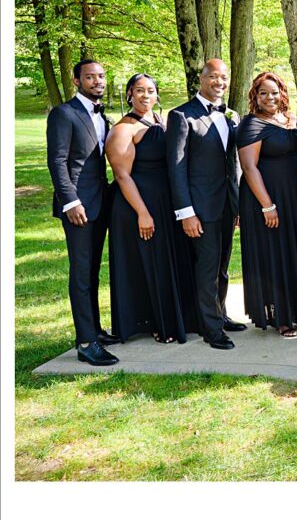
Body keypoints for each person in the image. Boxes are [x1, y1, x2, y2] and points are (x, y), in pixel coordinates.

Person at [106, 73, 199, 344]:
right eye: (139, 91)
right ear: (129, 95)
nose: (145, 95)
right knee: (150, 264)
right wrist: (142, 213)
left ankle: (177, 317)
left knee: (167, 261)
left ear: (157, 95)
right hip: (139, 204)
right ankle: (157, 323)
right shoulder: (123, 129)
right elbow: (122, 175)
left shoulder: (161, 120)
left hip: (166, 202)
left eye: (150, 90)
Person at [167, 58, 247, 350]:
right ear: (201, 79)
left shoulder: (231, 116)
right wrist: (186, 212)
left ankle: (221, 313)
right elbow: (176, 168)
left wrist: (238, 206)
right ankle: (210, 327)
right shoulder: (181, 116)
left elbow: (233, 162)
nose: (219, 82)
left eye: (223, 77)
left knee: (223, 266)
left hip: (227, 204)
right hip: (200, 207)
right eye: (213, 76)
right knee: (207, 267)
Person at [46, 59, 118, 366]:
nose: (97, 81)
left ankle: (95, 330)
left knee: (92, 272)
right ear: (77, 81)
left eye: (101, 76)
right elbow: (57, 161)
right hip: (78, 206)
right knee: (81, 272)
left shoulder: (104, 118)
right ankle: (86, 343)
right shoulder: (64, 114)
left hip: (100, 203)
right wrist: (70, 202)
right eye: (90, 77)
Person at [237, 72, 297, 337]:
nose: (270, 98)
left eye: (274, 92)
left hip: (295, 197)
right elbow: (249, 168)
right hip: (268, 198)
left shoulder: (290, 120)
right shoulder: (251, 125)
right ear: (255, 97)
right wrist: (267, 205)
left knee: (296, 250)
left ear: (282, 93)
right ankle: (281, 317)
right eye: (263, 93)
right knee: (277, 253)